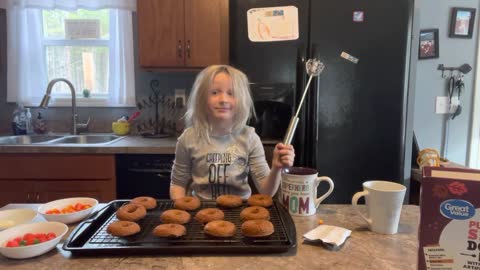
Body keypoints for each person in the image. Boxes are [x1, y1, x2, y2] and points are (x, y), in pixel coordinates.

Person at [170, 65, 295, 200]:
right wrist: (181, 210)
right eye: (215, 92)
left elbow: (266, 192)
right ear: (202, 98)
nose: (223, 100)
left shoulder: (249, 138)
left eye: (231, 93)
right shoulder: (188, 138)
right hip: (200, 212)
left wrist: (276, 169)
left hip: (240, 214)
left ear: (241, 100)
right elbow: (178, 184)